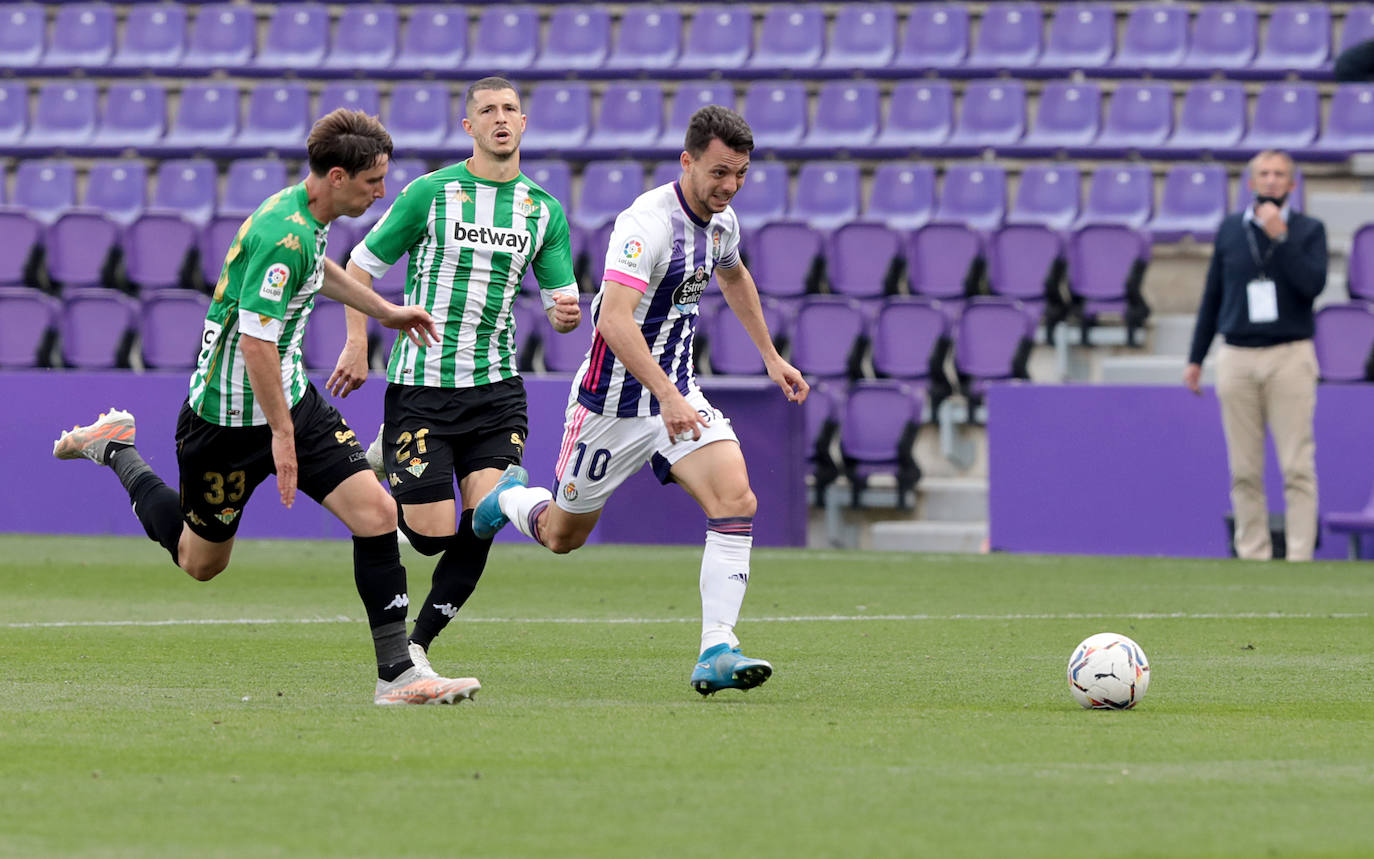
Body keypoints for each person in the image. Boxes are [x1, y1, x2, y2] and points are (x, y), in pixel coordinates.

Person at [53, 109, 481, 705]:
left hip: (292, 405)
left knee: (377, 516)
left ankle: (397, 675)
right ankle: (117, 448)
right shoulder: (285, 235)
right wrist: (280, 435)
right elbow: (256, 341)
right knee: (200, 563)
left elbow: (318, 274)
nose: (381, 192)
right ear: (336, 175)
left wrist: (385, 311)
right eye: (372, 182)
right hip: (226, 425)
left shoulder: (307, 214)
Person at [472, 105, 809, 696]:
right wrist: (664, 394)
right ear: (688, 162)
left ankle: (717, 648)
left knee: (736, 498)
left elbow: (734, 277)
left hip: (677, 396)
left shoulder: (721, 223)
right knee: (561, 536)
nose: (729, 186)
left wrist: (770, 355)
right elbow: (611, 317)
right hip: (610, 407)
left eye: (741, 174)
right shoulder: (645, 225)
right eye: (719, 173)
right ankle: (513, 498)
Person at [327, 77, 581, 677]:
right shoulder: (430, 194)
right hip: (422, 390)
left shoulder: (543, 211)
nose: (500, 118)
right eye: (487, 110)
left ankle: (418, 644)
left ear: (524, 124)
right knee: (434, 534)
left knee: (486, 511)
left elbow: (561, 307)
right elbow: (356, 270)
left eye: (510, 109)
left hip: (496, 391)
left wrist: (565, 316)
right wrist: (356, 344)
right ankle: (391, 455)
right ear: (469, 127)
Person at [1184, 149, 1328, 561]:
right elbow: (1213, 296)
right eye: (1263, 173)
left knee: (1297, 465)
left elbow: (1312, 285)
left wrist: (1280, 237)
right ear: (1250, 182)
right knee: (1244, 468)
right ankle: (1253, 552)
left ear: (1292, 184)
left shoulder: (1308, 230)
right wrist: (1196, 358)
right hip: (1237, 356)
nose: (1270, 180)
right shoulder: (1230, 230)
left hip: (1289, 355)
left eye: (1279, 174)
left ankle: (1300, 555)